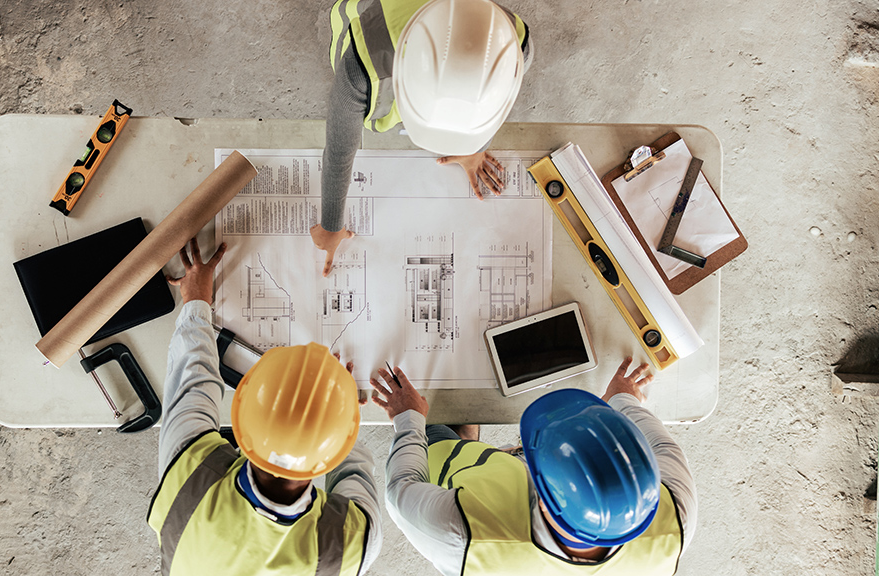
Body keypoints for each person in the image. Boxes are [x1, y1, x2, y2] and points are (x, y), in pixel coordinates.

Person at [148, 238, 383, 576]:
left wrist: (197, 298)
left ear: (242, 409)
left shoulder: (190, 479)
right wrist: (335, 405)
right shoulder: (348, 544)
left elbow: (192, 378)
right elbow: (352, 471)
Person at [370, 358, 697, 575]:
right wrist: (623, 400)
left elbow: (401, 491)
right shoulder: (675, 520)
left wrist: (408, 418)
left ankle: (459, 440)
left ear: (542, 497)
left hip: (463, 488)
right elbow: (664, 448)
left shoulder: (465, 535)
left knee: (440, 437)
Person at [311, 0, 535, 276]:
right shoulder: (363, 63)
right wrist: (331, 224)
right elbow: (340, 149)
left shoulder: (514, 45)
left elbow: (493, 99)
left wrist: (475, 147)